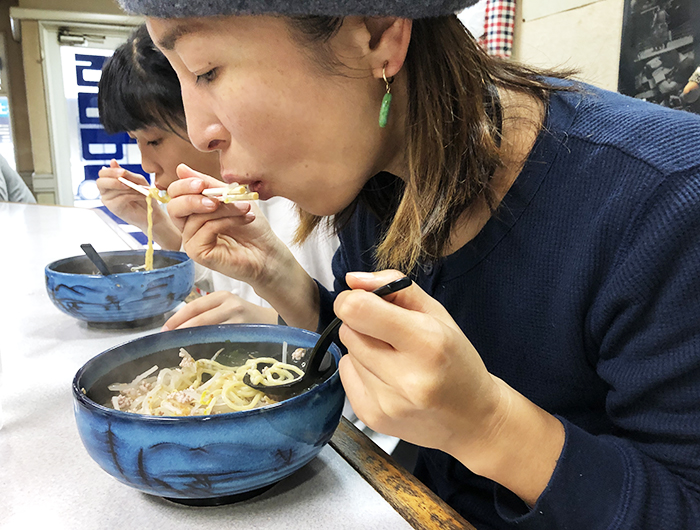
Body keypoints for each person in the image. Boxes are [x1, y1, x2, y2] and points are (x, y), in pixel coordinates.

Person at [119, 1, 700, 528]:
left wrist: (488, 424)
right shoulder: (376, 176)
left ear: (376, 35)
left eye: (205, 71)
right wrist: (278, 276)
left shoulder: (668, 196)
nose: (198, 131)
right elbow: (395, 361)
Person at [97, 24, 338, 329]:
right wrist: (156, 222)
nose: (146, 164)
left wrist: (268, 321)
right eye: (136, 140)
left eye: (154, 140)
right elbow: (211, 285)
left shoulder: (311, 198)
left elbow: (352, 330)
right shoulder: (220, 196)